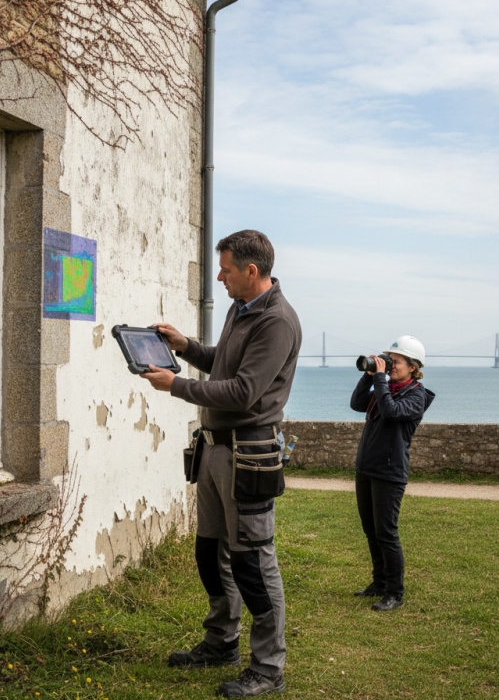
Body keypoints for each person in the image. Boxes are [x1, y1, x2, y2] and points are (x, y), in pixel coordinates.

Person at [140, 230, 301, 698]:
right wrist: (186, 345)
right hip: (213, 449)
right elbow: (223, 365)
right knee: (211, 555)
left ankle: (269, 667)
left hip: (248, 455)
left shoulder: (278, 322)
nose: (219, 276)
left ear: (251, 271)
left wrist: (176, 385)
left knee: (253, 563)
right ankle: (221, 642)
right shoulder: (240, 309)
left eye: (226, 269)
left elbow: (242, 391)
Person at [350, 336, 435, 612]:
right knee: (370, 530)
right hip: (367, 468)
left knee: (386, 532)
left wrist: (381, 379)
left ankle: (395, 592)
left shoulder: (416, 395)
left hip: (390, 472)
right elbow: (356, 403)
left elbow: (390, 412)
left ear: (413, 367)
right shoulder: (385, 386)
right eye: (389, 360)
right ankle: (378, 582)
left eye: (395, 361)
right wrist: (370, 374)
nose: (390, 365)